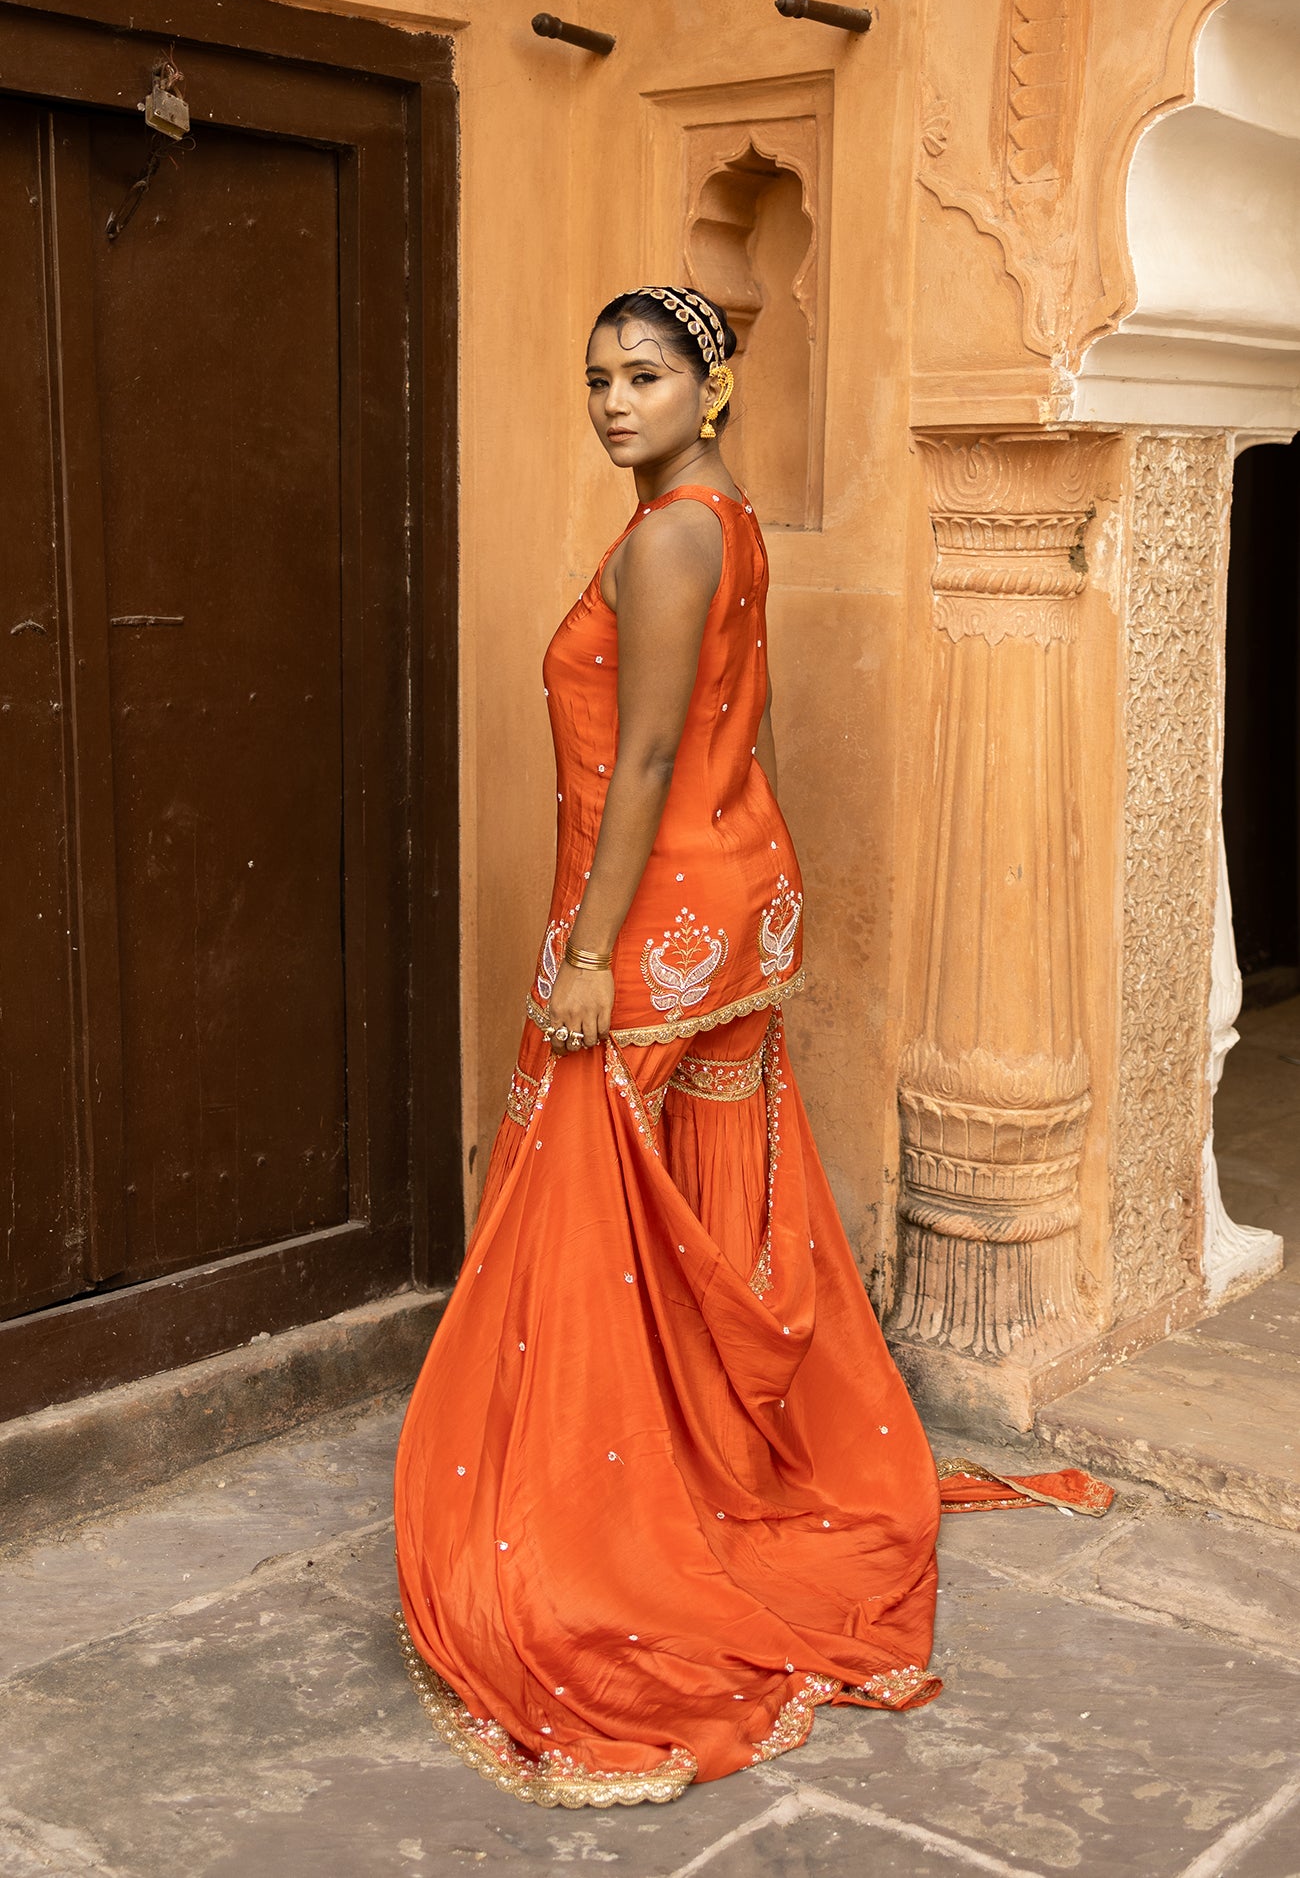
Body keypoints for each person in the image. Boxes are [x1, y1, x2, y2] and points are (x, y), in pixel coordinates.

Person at [392, 284, 1109, 1808]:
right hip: (726, 896)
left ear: (706, 394)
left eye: (644, 376)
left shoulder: (669, 536)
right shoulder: (732, 520)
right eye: (596, 377)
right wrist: (762, 891)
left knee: (591, 1201)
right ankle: (720, 1467)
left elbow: (651, 748)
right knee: (703, 1199)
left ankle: (615, 1509)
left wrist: (588, 954)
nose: (612, 401)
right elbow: (748, 724)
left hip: (647, 917)